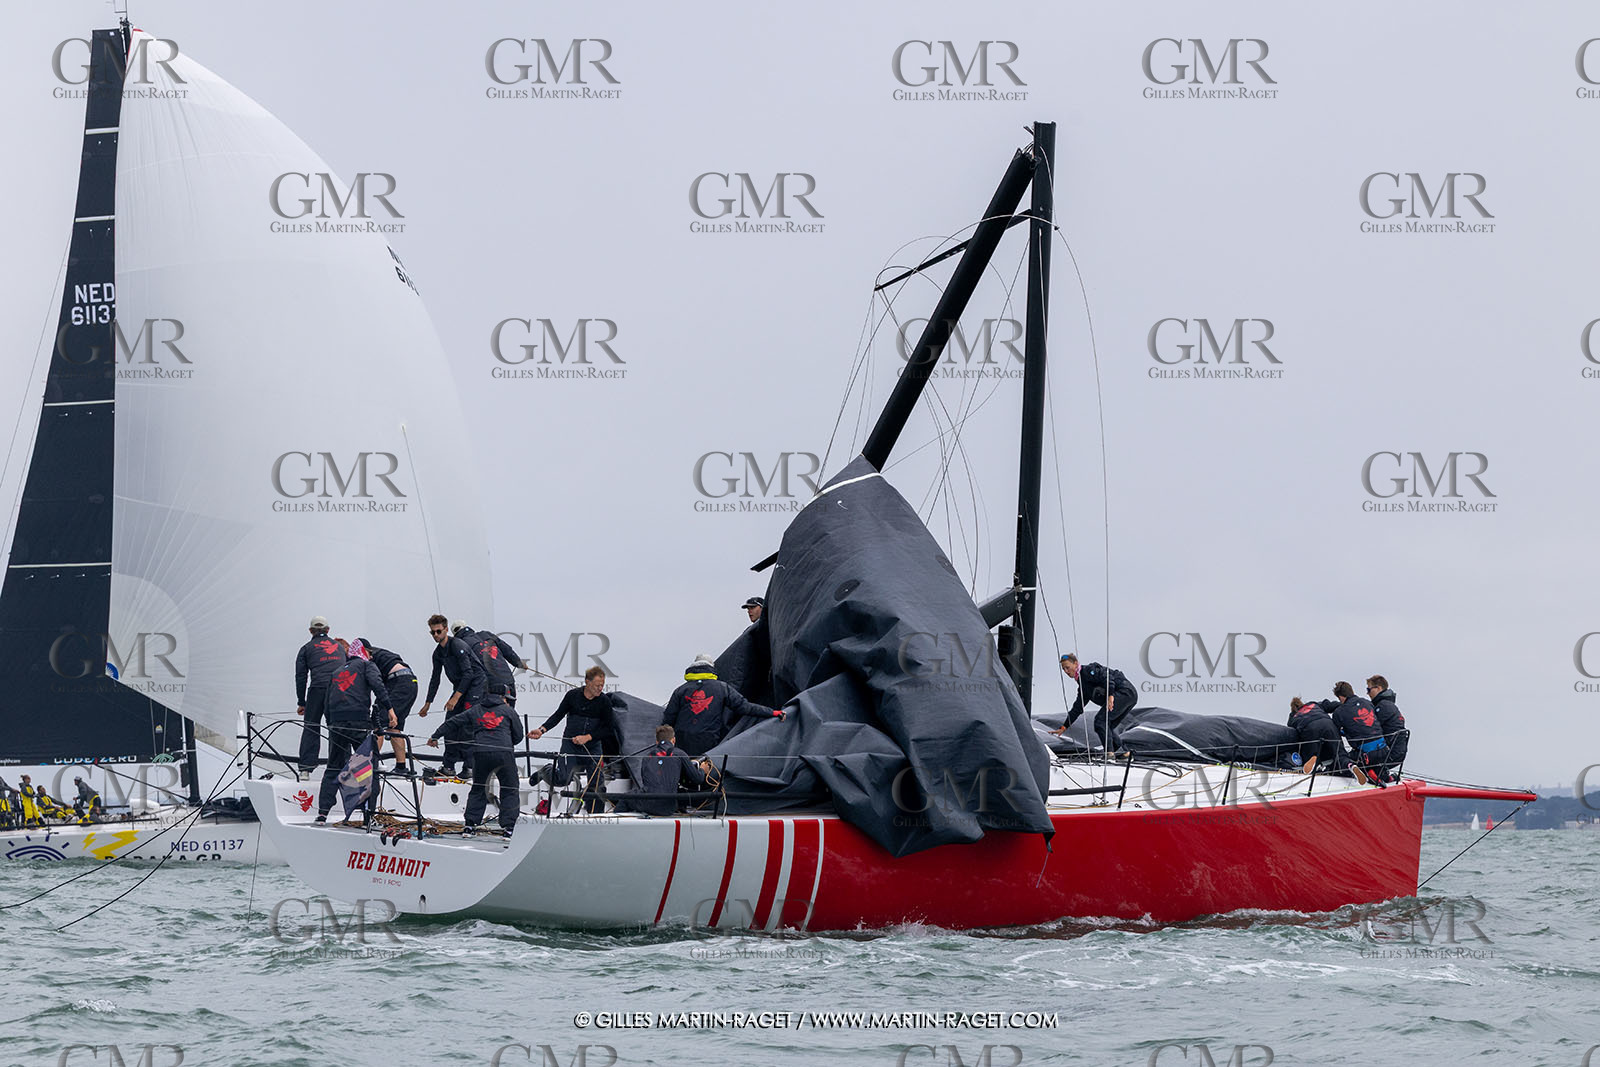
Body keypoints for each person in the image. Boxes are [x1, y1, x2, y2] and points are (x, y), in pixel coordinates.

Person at [315, 653, 396, 824]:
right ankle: (368, 816)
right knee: (367, 768)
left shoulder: (336, 671)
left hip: (336, 724)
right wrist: (389, 708)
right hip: (359, 722)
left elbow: (326, 702)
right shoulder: (367, 665)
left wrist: (331, 724)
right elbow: (377, 685)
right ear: (364, 653)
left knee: (333, 766)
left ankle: (322, 814)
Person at [429, 689, 521, 836]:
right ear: (502, 697)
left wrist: (435, 736)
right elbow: (519, 736)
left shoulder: (475, 710)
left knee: (479, 789)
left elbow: (453, 722)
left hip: (480, 754)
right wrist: (508, 741)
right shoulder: (508, 711)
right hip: (504, 753)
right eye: (507, 699)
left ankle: (470, 826)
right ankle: (509, 828)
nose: (508, 702)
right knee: (510, 788)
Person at [661, 653, 785, 759]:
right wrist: (772, 712)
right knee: (705, 778)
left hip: (682, 743)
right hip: (709, 742)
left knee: (682, 776)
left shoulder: (680, 690)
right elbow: (745, 707)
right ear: (711, 668)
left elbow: (668, 719)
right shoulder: (722, 688)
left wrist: (663, 744)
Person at [531, 666, 624, 791]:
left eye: (602, 685)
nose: (600, 688)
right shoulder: (572, 696)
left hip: (592, 747)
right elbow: (558, 715)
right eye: (597, 685)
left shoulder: (604, 702)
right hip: (570, 745)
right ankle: (545, 771)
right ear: (587, 681)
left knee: (596, 785)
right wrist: (542, 730)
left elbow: (609, 728)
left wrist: (588, 737)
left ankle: (592, 810)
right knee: (563, 779)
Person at [418, 614, 487, 777]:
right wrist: (428, 703)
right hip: (461, 685)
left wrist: (455, 698)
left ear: (446, 630)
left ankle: (470, 767)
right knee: (450, 722)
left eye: (438, 631)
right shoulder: (437, 653)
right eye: (432, 633)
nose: (436, 635)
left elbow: (469, 674)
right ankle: (448, 766)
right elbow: (435, 678)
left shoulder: (457, 645)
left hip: (476, 684)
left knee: (467, 723)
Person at [1050, 654, 1137, 755]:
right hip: (1130, 696)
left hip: (1124, 691)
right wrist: (1064, 727)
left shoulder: (1088, 671)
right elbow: (1077, 708)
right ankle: (1123, 752)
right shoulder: (1084, 688)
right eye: (1063, 669)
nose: (1066, 671)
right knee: (1107, 726)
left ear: (1076, 663)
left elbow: (1106, 676)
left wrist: (1110, 695)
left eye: (1068, 667)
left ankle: (1109, 754)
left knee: (1100, 721)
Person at [294, 616, 348, 774]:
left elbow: (301, 677)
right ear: (328, 630)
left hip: (318, 689)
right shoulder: (339, 647)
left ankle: (305, 769)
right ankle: (341, 767)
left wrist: (301, 702)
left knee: (311, 727)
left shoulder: (306, 648)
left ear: (311, 631)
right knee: (337, 728)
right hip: (339, 690)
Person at [358, 638, 419, 775]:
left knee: (378, 722)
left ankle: (371, 765)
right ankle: (401, 768)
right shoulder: (383, 654)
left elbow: (373, 683)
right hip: (410, 682)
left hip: (398, 682)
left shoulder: (368, 657)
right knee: (394, 726)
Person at [632, 724, 713, 816]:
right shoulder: (678, 753)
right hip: (668, 807)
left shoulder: (647, 757)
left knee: (626, 798)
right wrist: (703, 769)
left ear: (656, 741)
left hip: (647, 805)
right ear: (673, 740)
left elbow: (647, 781)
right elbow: (698, 779)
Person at [1325, 681, 1388, 784]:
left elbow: (1334, 734)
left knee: (1337, 765)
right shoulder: (1367, 702)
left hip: (1364, 755)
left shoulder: (1339, 712)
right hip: (1384, 750)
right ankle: (1380, 774)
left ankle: (1366, 772)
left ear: (1341, 697)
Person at [456, 622, 530, 708]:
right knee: (508, 714)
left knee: (488, 717)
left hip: (489, 685)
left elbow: (465, 672)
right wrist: (519, 663)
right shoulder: (487, 634)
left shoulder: (461, 644)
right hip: (508, 682)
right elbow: (507, 650)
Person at [1286, 697, 1342, 776]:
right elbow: (1333, 705)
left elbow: (1292, 732)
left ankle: (1315, 761)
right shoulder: (1313, 704)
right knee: (1339, 752)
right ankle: (1347, 764)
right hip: (1327, 724)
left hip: (1310, 730)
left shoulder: (1293, 716)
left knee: (1309, 754)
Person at [1366, 675, 1409, 775]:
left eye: (1368, 689)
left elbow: (1369, 727)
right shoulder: (1387, 704)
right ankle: (1384, 776)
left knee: (1359, 760)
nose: (1367, 693)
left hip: (1392, 752)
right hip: (1395, 749)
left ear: (1378, 688)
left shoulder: (1383, 706)